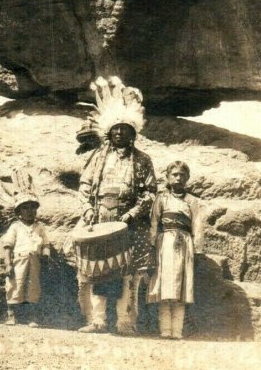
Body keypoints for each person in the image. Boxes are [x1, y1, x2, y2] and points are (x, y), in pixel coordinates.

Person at [76, 77, 157, 335]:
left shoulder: (143, 160)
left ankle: (125, 323)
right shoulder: (97, 157)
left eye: (125, 129)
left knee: (127, 274)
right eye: (116, 129)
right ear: (109, 132)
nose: (120, 133)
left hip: (129, 225)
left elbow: (149, 192)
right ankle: (97, 321)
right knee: (95, 270)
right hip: (99, 218)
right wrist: (88, 210)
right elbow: (85, 186)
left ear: (133, 133)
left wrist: (132, 214)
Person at [147, 161, 203, 339]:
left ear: (187, 178)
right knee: (165, 287)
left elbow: (198, 225)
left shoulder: (192, 201)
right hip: (165, 245)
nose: (178, 178)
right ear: (168, 177)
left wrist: (197, 249)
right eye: (174, 175)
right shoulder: (161, 198)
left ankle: (177, 331)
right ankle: (165, 330)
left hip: (185, 245)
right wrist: (152, 244)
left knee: (180, 288)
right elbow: (154, 222)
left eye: (182, 175)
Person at [2, 193, 51, 326]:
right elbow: (8, 246)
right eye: (26, 208)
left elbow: (46, 243)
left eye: (33, 208)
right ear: (19, 212)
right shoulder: (15, 227)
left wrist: (46, 255)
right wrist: (8, 264)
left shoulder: (40, 227)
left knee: (33, 287)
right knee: (15, 285)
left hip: (35, 261)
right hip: (19, 260)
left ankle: (32, 317)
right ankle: (11, 315)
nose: (30, 211)